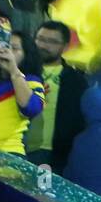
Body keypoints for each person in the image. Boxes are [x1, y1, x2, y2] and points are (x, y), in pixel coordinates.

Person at [22, 21, 87, 173]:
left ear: (64, 47)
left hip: (54, 155)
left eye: (52, 42)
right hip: (15, 147)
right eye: (40, 39)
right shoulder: (19, 71)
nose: (44, 45)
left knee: (42, 195)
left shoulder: (75, 80)